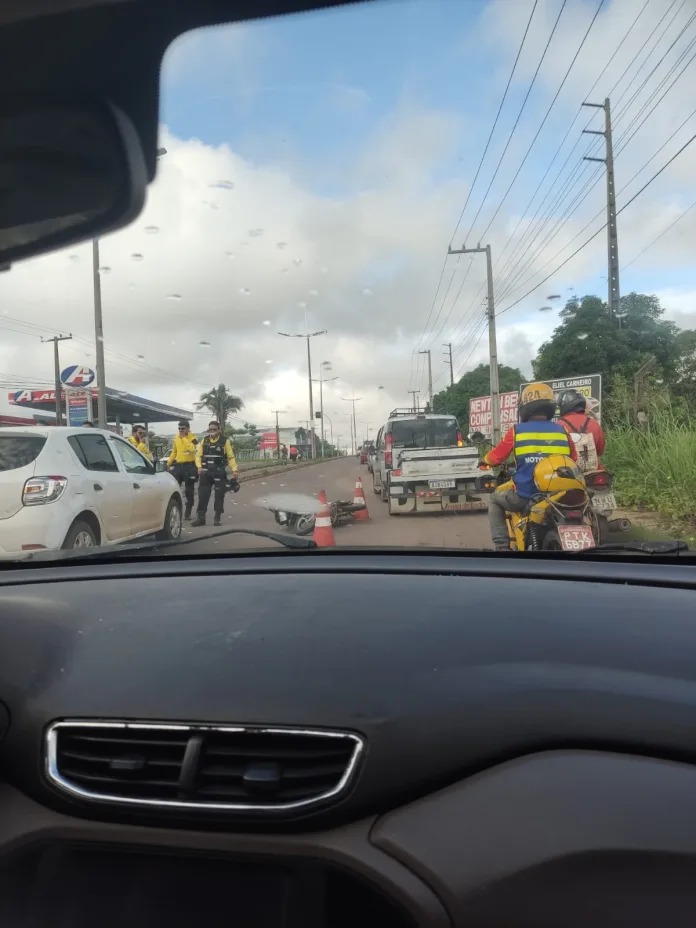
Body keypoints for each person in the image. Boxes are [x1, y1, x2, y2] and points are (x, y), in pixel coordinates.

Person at [483, 382, 578, 552]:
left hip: (527, 495)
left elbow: (496, 456)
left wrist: (485, 461)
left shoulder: (517, 431)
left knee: (494, 500)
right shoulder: (562, 431)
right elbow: (574, 459)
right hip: (559, 496)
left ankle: (502, 546)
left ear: (525, 408)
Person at [192, 420, 238, 527]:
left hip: (219, 473)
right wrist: (199, 467)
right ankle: (201, 518)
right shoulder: (204, 441)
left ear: (219, 430)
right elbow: (198, 455)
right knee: (203, 495)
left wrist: (234, 470)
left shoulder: (225, 441)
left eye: (214, 429)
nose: (212, 431)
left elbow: (230, 457)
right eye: (210, 429)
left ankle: (217, 517)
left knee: (219, 495)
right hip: (205, 473)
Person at [557, 389, 606, 470]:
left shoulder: (559, 425)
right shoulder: (594, 423)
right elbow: (600, 450)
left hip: (570, 473)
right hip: (593, 473)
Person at [167, 419, 198, 521]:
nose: (181, 430)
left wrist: (184, 438)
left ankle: (188, 511)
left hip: (190, 466)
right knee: (174, 488)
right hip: (179, 466)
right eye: (179, 428)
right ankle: (175, 510)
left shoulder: (193, 437)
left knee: (189, 490)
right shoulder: (176, 438)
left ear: (188, 429)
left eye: (183, 429)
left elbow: (192, 449)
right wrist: (168, 463)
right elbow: (174, 452)